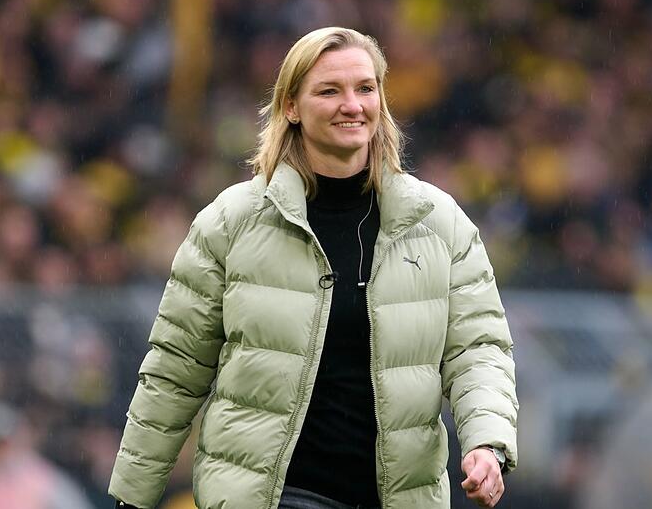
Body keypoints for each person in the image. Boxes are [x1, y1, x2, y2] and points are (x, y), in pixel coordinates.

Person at [109, 27, 518, 509]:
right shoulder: (230, 223)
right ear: (291, 107)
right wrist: (131, 497)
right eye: (330, 90)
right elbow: (175, 370)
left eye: (365, 88)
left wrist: (486, 443)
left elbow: (478, 349)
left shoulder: (440, 224)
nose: (353, 104)